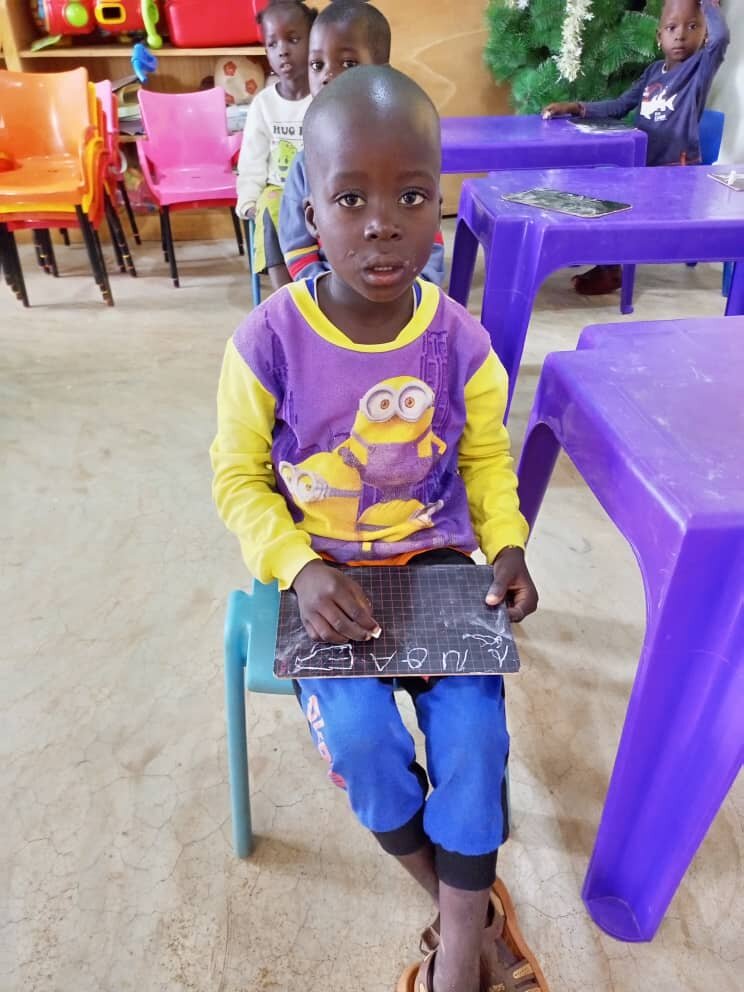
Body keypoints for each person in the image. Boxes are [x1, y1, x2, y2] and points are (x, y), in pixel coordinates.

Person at [211, 65, 548, 992]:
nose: (382, 224)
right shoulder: (267, 341)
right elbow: (237, 478)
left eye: (411, 196)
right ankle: (468, 912)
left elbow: (486, 460)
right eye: (351, 198)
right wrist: (295, 564)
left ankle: (457, 953)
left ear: (439, 208)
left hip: (437, 566)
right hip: (325, 580)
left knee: (474, 741)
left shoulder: (461, 341)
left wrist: (508, 542)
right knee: (362, 742)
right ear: (310, 215)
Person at [543, 0, 729, 295]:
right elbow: (620, 105)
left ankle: (611, 270)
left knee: (622, 206)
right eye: (671, 28)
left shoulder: (698, 69)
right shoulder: (653, 72)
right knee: (601, 193)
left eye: (692, 26)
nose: (680, 35)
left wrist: (707, 3)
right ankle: (601, 260)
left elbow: (721, 39)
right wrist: (576, 107)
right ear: (659, 36)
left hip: (674, 172)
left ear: (704, 34)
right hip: (643, 165)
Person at [278, 1, 445, 285]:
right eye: (317, 65)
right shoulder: (305, 165)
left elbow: (427, 231)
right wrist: (327, 293)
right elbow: (297, 247)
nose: (328, 76)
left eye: (348, 64)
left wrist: (420, 288)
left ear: (383, 71)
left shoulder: (408, 153)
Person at [235, 0, 317, 291]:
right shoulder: (263, 104)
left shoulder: (324, 97)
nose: (282, 50)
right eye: (272, 44)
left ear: (314, 42)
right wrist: (248, 200)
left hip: (318, 189)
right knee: (268, 205)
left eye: (293, 40)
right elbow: (252, 159)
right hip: (279, 191)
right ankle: (285, 295)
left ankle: (318, 285)